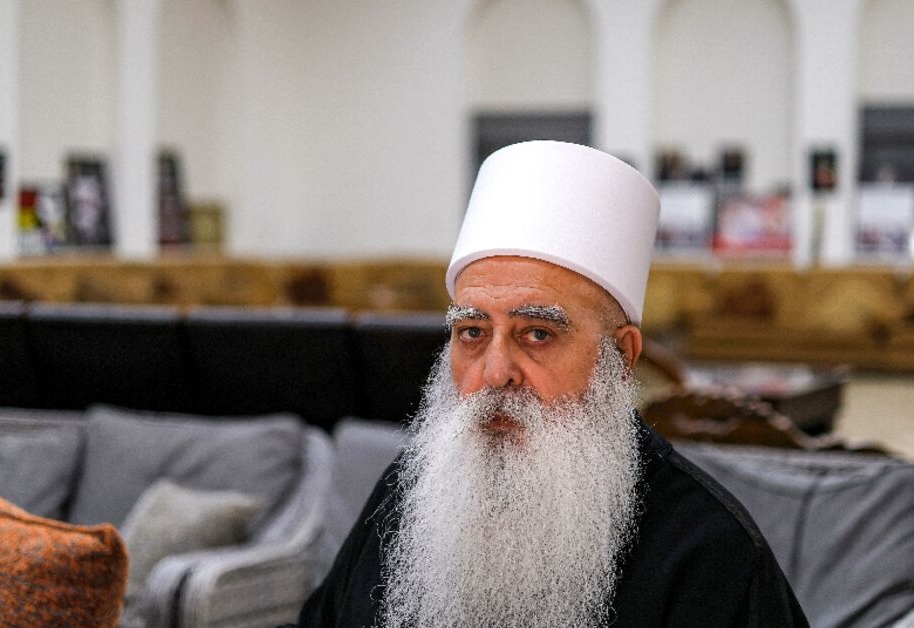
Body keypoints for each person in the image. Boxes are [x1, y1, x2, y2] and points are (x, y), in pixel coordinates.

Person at [290, 141, 808, 627]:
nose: (495, 373)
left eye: (538, 333)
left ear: (620, 358)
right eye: (472, 332)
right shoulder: (410, 494)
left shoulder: (711, 554)